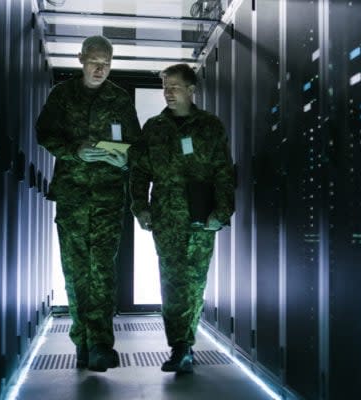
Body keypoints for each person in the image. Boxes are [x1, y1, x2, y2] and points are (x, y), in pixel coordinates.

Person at [35, 35, 141, 372]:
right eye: (95, 61)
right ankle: (82, 340)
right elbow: (45, 134)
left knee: (103, 271)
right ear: (81, 58)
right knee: (77, 271)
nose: (100, 68)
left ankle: (100, 345)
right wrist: (74, 151)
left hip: (109, 198)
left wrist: (124, 161)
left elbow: (136, 145)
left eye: (106, 63)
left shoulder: (120, 100)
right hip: (73, 196)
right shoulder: (62, 95)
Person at [128, 63, 235, 373]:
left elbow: (223, 172)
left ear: (191, 90)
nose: (168, 92)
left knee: (195, 282)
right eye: (165, 87)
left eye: (174, 86)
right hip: (167, 216)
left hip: (203, 216)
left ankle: (185, 343)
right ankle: (180, 346)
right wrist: (141, 207)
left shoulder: (211, 127)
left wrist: (222, 212)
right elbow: (139, 172)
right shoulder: (154, 128)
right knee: (173, 281)